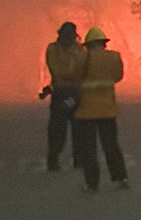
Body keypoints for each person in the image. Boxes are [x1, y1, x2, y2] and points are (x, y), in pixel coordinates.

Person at [74, 26, 129, 192]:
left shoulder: (82, 58)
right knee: (111, 146)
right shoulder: (114, 57)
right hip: (108, 110)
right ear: (103, 43)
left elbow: (75, 76)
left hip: (86, 112)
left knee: (89, 150)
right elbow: (118, 77)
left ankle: (92, 184)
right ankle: (120, 179)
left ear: (88, 44)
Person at [44, 21, 86, 172]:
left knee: (79, 129)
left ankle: (79, 159)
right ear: (61, 35)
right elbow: (57, 70)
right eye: (66, 35)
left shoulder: (80, 50)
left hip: (76, 93)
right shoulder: (53, 49)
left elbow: (83, 69)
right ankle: (53, 159)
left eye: (71, 35)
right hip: (60, 93)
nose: (69, 38)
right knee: (57, 130)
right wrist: (72, 75)